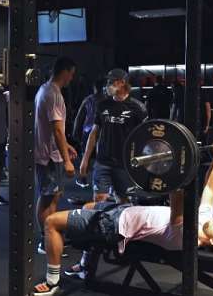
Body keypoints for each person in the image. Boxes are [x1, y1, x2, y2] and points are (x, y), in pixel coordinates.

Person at [33, 143, 213, 296]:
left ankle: (53, 282)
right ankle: (85, 266)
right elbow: (211, 188)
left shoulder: (187, 238)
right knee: (88, 206)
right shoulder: (204, 219)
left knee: (51, 222)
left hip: (114, 225)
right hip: (124, 211)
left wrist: (171, 166)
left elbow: (177, 199)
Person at [79, 69, 147, 203]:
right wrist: (85, 160)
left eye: (111, 82)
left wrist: (140, 164)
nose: (108, 85)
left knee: (124, 202)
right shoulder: (102, 105)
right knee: (99, 200)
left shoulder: (138, 108)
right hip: (102, 162)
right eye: (108, 82)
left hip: (124, 164)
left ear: (122, 83)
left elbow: (143, 138)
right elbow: (94, 133)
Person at [34, 56, 78, 254]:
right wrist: (67, 161)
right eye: (72, 74)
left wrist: (66, 146)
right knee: (48, 199)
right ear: (65, 71)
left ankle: (49, 235)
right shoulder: (53, 94)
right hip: (50, 157)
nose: (72, 79)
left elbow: (54, 129)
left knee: (53, 197)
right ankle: (46, 240)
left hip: (50, 153)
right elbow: (57, 130)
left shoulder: (46, 89)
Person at [72, 78, 106, 188]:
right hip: (102, 131)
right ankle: (102, 181)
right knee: (101, 156)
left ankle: (83, 179)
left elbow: (79, 116)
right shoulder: (107, 100)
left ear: (94, 88)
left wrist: (75, 131)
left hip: (88, 131)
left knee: (85, 155)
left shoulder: (88, 99)